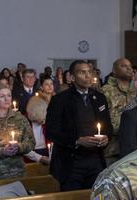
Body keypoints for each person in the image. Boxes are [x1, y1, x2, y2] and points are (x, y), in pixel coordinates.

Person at [46, 60, 112, 191]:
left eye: (89, 72)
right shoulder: (60, 100)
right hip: (71, 162)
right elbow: (51, 131)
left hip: (95, 159)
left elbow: (107, 126)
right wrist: (77, 140)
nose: (88, 76)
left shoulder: (99, 97)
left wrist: (106, 137)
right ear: (71, 77)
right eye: (82, 72)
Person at [101, 58, 136, 164]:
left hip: (134, 148)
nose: (129, 68)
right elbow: (101, 118)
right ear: (114, 71)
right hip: (113, 149)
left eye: (130, 66)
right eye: (124, 66)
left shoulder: (136, 90)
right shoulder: (106, 91)